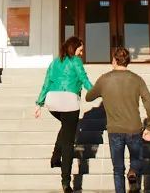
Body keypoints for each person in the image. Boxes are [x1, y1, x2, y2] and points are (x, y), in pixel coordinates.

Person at [85, 47, 150, 193]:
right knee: (136, 160)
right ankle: (134, 172)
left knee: (118, 169)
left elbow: (89, 97)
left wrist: (101, 90)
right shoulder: (137, 79)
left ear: (114, 60)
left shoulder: (105, 79)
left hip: (115, 130)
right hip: (134, 128)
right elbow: (149, 102)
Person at [34, 36, 93, 193]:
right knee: (68, 142)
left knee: (66, 127)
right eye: (80, 50)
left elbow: (46, 83)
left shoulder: (54, 62)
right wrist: (97, 93)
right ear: (74, 48)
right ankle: (66, 181)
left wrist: (39, 103)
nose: (81, 54)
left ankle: (55, 157)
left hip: (53, 103)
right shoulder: (76, 61)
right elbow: (84, 78)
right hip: (69, 102)